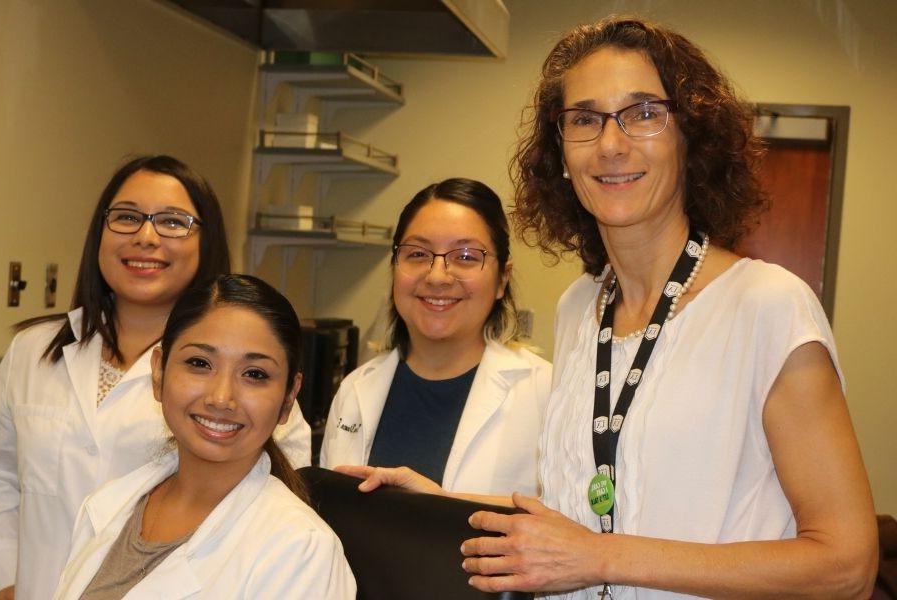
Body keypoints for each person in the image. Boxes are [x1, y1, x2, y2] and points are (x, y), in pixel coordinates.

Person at [341, 17, 877, 599]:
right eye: (585, 119)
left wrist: (601, 558)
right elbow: (585, 509)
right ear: (562, 154)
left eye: (645, 113)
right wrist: (441, 500)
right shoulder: (582, 307)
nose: (611, 143)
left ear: (690, 137)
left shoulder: (767, 308)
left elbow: (845, 566)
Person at [0, 156, 313, 600]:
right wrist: (3, 584)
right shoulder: (34, 349)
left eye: (173, 222)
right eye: (126, 217)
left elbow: (276, 505)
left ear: (208, 242)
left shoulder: (239, 379)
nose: (146, 237)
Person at [52, 274, 356, 599]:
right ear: (159, 372)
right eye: (199, 363)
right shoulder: (108, 506)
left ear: (288, 397)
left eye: (255, 374)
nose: (221, 397)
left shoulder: (300, 551)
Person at [320, 178, 552, 496]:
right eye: (417, 254)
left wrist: (441, 505)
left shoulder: (547, 393)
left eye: (466, 256)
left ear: (502, 280)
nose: (438, 276)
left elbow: (566, 522)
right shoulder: (354, 390)